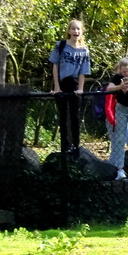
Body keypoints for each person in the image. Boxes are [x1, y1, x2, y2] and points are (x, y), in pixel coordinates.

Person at [48, 20, 91, 157]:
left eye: (78, 29)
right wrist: (56, 87)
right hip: (61, 83)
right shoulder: (60, 46)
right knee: (63, 116)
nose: (75, 31)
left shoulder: (84, 50)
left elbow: (83, 71)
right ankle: (65, 146)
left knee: (75, 116)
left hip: (75, 83)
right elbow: (55, 65)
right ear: (69, 31)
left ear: (81, 31)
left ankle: (76, 146)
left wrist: (80, 89)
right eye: (73, 29)